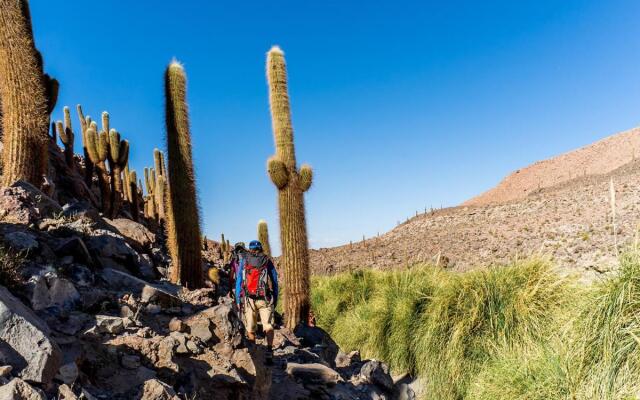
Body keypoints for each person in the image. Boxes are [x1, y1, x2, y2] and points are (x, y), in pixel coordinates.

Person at [236, 240, 278, 361]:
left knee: (250, 327)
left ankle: (253, 352)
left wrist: (238, 299)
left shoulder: (244, 260)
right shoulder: (266, 261)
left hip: (249, 298)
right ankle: (269, 351)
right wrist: (275, 299)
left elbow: (239, 280)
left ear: (250, 249)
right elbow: (274, 281)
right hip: (265, 298)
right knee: (268, 325)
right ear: (261, 248)